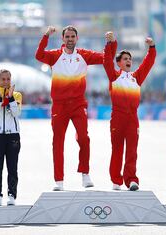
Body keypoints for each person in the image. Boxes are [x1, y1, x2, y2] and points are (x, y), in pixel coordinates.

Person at [35, 25, 104, 191]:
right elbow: (38, 55)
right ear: (63, 39)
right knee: (57, 142)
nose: (70, 39)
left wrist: (111, 44)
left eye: (73, 36)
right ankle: (58, 180)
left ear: (77, 39)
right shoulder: (54, 56)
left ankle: (85, 173)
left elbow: (105, 58)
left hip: (78, 104)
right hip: (60, 105)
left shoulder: (84, 55)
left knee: (83, 138)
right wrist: (46, 35)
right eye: (67, 37)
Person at [103, 31, 156, 191]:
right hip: (117, 118)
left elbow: (148, 63)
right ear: (118, 62)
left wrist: (152, 47)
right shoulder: (114, 76)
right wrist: (110, 44)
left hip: (132, 118)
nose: (128, 61)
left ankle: (131, 180)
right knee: (117, 150)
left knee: (132, 151)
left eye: (130, 59)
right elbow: (106, 61)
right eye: (125, 59)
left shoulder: (136, 77)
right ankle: (116, 180)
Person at [0, 69, 22, 206]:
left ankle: (12, 194)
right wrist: (0, 97)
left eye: (8, 79)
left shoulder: (17, 95)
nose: (6, 82)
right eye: (3, 79)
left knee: (12, 166)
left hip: (13, 135)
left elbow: (16, 113)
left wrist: (11, 98)